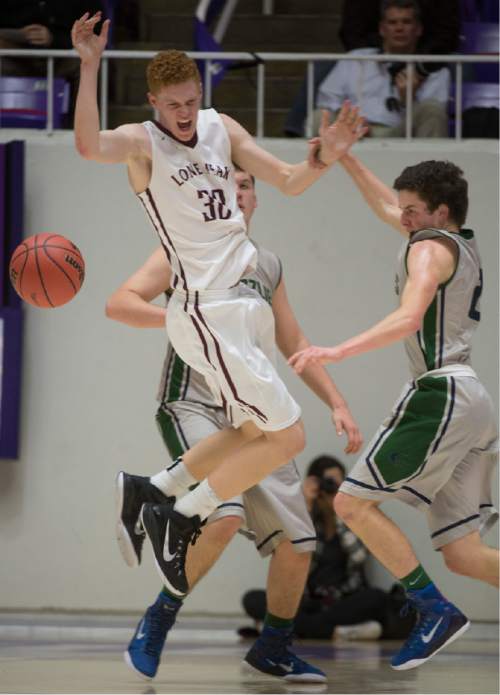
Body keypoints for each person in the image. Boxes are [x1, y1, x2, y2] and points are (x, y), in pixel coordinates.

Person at [72, 7, 366, 637]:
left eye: (192, 100)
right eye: (173, 103)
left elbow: (287, 180)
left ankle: (154, 490)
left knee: (260, 431)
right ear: (154, 101)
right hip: (207, 310)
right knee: (285, 437)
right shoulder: (142, 145)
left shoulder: (219, 127)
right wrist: (91, 65)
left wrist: (326, 158)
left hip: (239, 315)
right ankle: (182, 511)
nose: (184, 112)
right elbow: (87, 146)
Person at [107, 169, 362, 682]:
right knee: (221, 516)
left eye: (245, 184)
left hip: (252, 414)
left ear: (255, 198)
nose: (237, 192)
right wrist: (189, 320)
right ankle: (157, 620)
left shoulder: (266, 264)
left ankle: (273, 647)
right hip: (193, 402)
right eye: (228, 184)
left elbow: (295, 343)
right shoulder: (183, 247)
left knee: (298, 541)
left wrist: (337, 400)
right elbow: (120, 304)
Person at [290, 153, 499, 670]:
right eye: (403, 209)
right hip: (472, 401)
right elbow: (386, 204)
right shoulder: (454, 241)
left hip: (440, 393)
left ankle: (433, 611)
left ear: (440, 212)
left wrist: (337, 351)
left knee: (351, 504)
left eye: (412, 211)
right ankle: (435, 606)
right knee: (464, 555)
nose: (401, 218)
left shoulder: (427, 249)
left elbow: (409, 318)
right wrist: (346, 160)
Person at [242, 455, 416, 642]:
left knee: (376, 598)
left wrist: (341, 509)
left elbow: (359, 557)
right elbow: (293, 560)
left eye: (339, 482)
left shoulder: (354, 517)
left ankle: (295, 628)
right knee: (253, 599)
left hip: (345, 601)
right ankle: (335, 631)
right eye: (328, 482)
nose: (333, 487)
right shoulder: (307, 520)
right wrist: (305, 505)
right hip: (308, 601)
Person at [284, 0, 458, 138]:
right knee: (318, 117)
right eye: (393, 22)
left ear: (418, 29)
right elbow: (327, 100)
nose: (399, 28)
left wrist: (408, 99)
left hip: (400, 132)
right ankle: (312, 171)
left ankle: (430, 177)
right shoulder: (357, 58)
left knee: (431, 110)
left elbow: (434, 114)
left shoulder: (433, 68)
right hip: (353, 132)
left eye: (406, 22)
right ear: (382, 29)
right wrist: (349, 121)